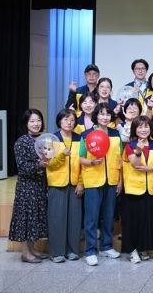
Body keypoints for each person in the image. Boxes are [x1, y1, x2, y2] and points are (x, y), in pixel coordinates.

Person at [79, 102, 123, 266]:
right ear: (96, 116)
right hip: (93, 180)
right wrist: (92, 162)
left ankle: (106, 246)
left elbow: (120, 160)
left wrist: (120, 181)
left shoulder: (116, 134)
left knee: (109, 216)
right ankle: (90, 251)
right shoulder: (86, 134)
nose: (105, 117)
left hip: (111, 179)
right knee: (91, 217)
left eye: (108, 114)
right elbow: (81, 158)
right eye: (102, 114)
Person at [9, 109, 49, 263]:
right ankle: (25, 253)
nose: (36, 124)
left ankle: (32, 249)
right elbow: (22, 167)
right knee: (26, 219)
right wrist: (39, 165)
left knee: (35, 218)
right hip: (27, 187)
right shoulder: (21, 142)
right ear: (26, 124)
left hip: (40, 186)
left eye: (38, 120)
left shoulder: (44, 140)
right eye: (32, 121)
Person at [122, 115, 153, 263]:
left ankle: (143, 248)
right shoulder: (130, 145)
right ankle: (132, 250)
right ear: (135, 129)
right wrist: (138, 151)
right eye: (140, 127)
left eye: (146, 127)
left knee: (147, 221)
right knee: (133, 221)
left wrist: (148, 169)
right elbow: (135, 163)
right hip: (134, 189)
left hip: (150, 188)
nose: (143, 130)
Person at [46, 109, 83, 263]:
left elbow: (83, 164)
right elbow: (49, 164)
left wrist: (81, 182)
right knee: (57, 219)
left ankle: (73, 250)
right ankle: (56, 252)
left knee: (75, 220)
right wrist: (62, 155)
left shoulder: (80, 139)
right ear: (59, 121)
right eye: (66, 119)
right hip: (57, 184)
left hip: (75, 184)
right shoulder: (52, 140)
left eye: (72, 120)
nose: (69, 122)